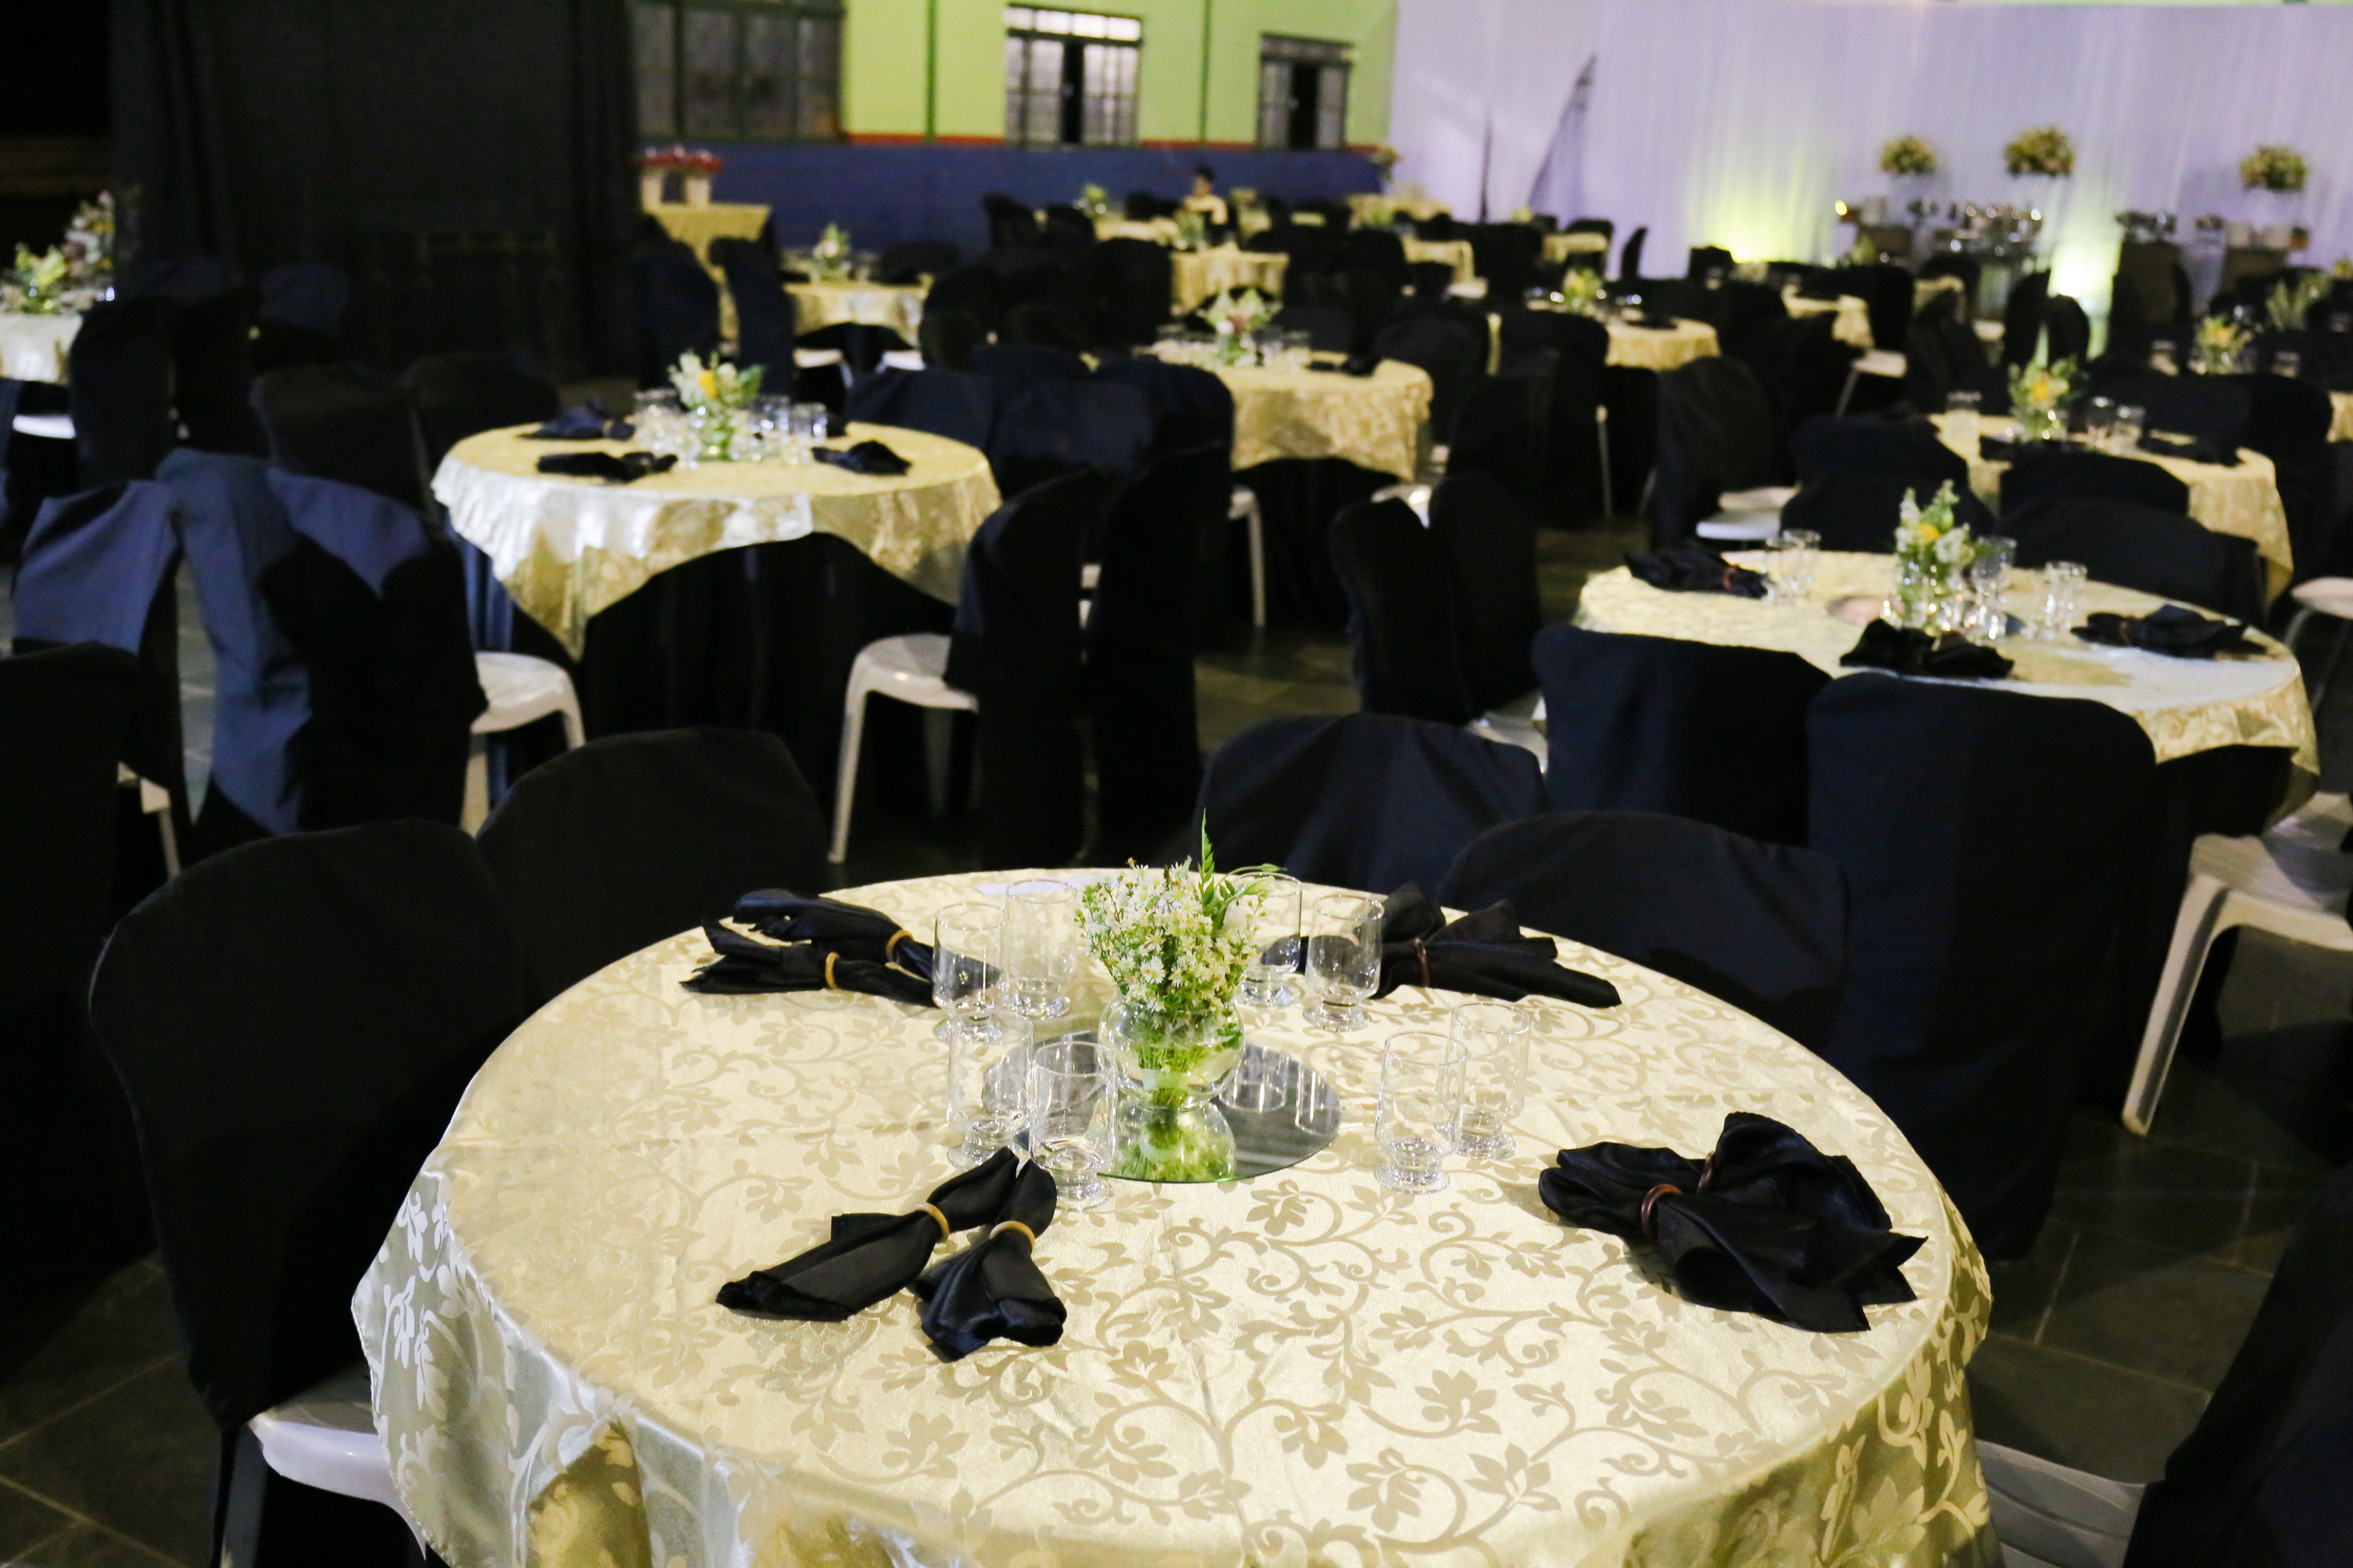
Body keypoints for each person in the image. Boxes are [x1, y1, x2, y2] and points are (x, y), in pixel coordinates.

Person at [1183, 165, 1229, 230]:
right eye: (1196, 183)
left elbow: (1219, 224)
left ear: (1208, 185)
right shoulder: (1188, 201)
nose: (1197, 187)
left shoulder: (1217, 203)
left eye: (1201, 184)